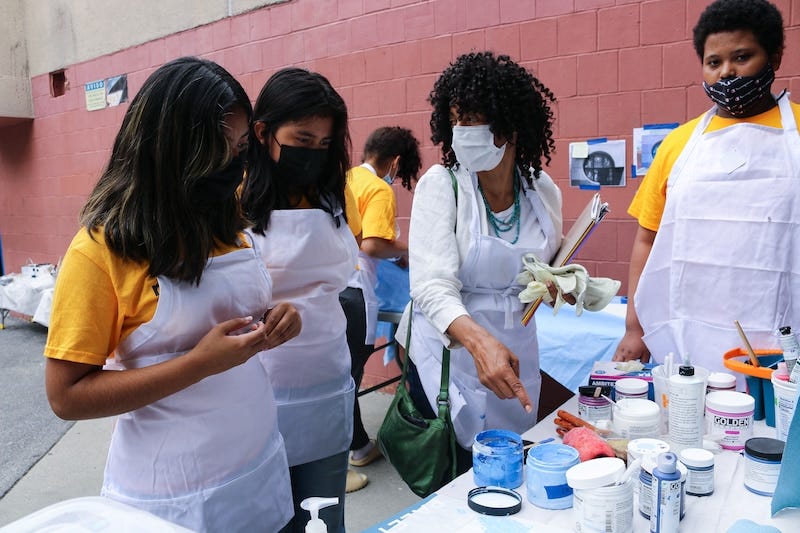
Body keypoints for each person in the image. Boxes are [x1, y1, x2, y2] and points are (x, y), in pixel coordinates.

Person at [43, 57, 301, 532]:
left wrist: (277, 318)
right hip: (171, 499)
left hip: (259, 470)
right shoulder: (100, 251)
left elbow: (241, 313)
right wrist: (199, 363)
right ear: (170, 151)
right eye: (219, 151)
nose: (234, 167)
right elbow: (66, 397)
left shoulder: (228, 223)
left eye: (241, 148)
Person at [613, 0, 799, 380]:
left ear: (775, 56)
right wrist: (634, 328)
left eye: (742, 57)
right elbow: (647, 239)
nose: (727, 72)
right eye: (714, 63)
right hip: (690, 339)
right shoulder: (678, 144)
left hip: (780, 337)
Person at [401, 51, 566, 474]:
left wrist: (556, 285)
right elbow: (431, 286)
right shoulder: (443, 186)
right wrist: (479, 344)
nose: (462, 132)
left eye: (473, 119)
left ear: (509, 126)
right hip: (451, 352)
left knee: (514, 462)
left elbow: (543, 269)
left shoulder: (541, 191)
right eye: (456, 119)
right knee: (459, 473)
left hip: (517, 347)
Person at [241, 67, 358, 533]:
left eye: (324, 144)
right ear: (263, 132)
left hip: (328, 377)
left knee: (324, 518)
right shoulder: (233, 200)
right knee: (268, 518)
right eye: (302, 139)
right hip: (259, 385)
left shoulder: (329, 196)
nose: (313, 154)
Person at [340, 127, 422, 489]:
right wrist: (409, 250)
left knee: (342, 377)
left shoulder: (349, 179)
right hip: (354, 290)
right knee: (348, 380)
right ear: (397, 161)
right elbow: (373, 245)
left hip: (332, 286)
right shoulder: (379, 189)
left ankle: (359, 445)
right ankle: (341, 461)